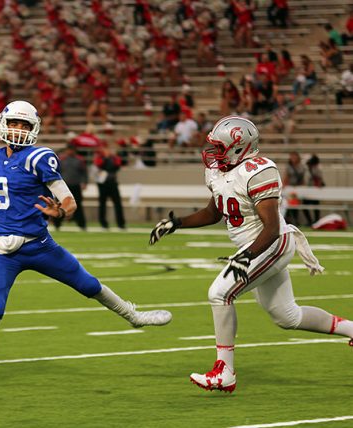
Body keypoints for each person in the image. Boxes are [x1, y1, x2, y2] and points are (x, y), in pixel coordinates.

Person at [0, 100, 172, 390]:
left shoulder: (39, 157)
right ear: (3, 124)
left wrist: (61, 212)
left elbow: (69, 200)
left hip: (39, 245)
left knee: (89, 285)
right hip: (2, 248)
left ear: (34, 129)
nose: (18, 130)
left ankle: (134, 317)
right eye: (14, 123)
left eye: (24, 125)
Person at [149, 116, 353, 393]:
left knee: (219, 293)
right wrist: (177, 223)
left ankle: (225, 372)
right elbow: (214, 211)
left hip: (271, 243)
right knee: (287, 317)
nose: (213, 152)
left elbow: (270, 227)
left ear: (238, 147)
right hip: (253, 247)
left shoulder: (259, 171)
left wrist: (247, 256)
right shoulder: (220, 170)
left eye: (219, 147)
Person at [53, 143, 88, 231]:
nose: (70, 152)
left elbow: (84, 172)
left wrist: (84, 182)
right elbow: (55, 171)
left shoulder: (79, 160)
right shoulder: (61, 159)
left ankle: (82, 224)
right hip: (63, 186)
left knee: (78, 205)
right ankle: (57, 224)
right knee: (59, 205)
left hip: (75, 185)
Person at [93, 142, 126, 230]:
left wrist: (110, 157)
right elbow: (99, 165)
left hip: (112, 182)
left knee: (118, 203)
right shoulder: (99, 157)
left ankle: (121, 224)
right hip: (102, 183)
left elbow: (118, 165)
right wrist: (106, 158)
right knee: (102, 204)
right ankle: (103, 224)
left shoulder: (115, 158)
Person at [303, 154, 325, 226]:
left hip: (315, 189)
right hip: (309, 189)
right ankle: (310, 221)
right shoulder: (308, 168)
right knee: (304, 205)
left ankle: (316, 221)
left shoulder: (318, 168)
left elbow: (319, 179)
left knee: (316, 205)